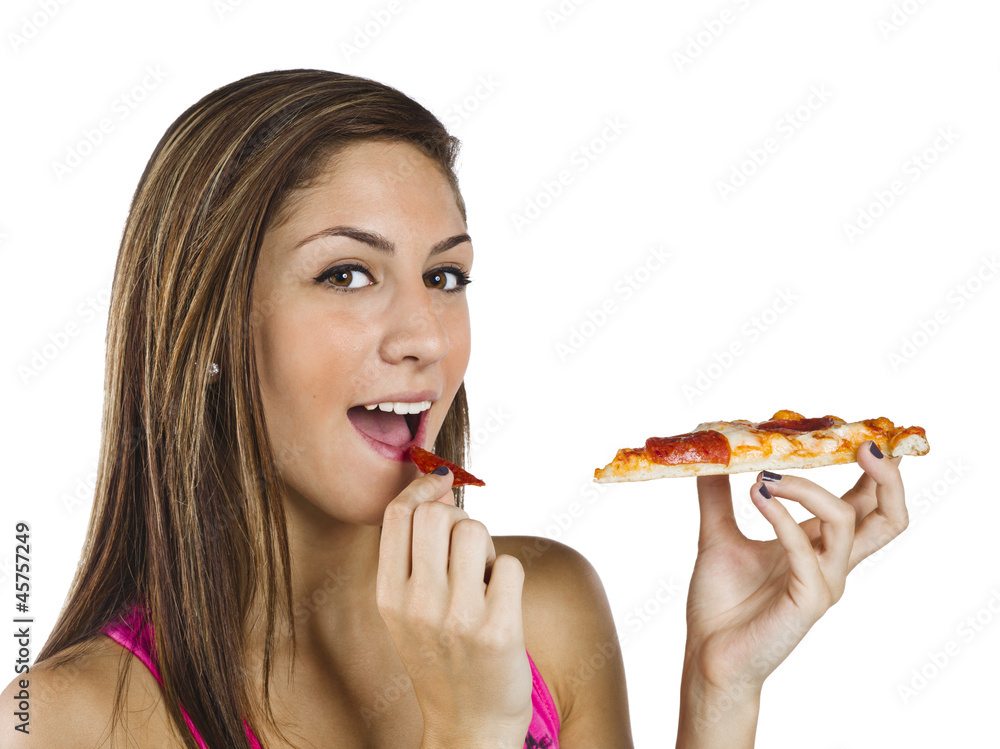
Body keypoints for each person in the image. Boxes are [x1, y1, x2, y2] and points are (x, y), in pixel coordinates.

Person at [2, 69, 910, 748]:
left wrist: (721, 689)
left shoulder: (545, 612)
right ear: (206, 328)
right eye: (347, 274)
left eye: (445, 276)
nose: (426, 337)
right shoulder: (62, 724)